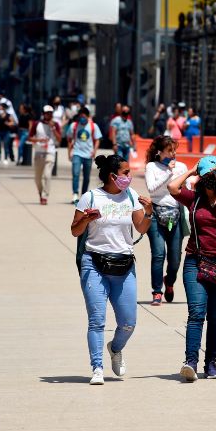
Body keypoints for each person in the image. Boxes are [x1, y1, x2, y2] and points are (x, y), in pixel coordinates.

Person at [70, 154, 153, 385]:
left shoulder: (131, 196)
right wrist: (87, 219)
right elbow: (75, 231)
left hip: (124, 265)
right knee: (97, 320)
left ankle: (115, 348)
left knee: (128, 322)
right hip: (94, 263)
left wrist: (149, 213)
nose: (129, 176)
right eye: (126, 173)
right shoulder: (90, 197)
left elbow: (140, 227)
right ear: (112, 176)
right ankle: (97, 368)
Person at [167, 155, 216, 381]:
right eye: (207, 176)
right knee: (196, 313)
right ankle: (190, 361)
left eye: (214, 175)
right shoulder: (194, 198)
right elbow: (172, 187)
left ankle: (210, 363)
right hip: (196, 261)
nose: (210, 179)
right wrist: (192, 171)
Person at [145, 136, 188, 306]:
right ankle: (157, 292)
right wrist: (168, 173)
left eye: (174, 149)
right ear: (160, 152)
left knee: (175, 257)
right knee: (158, 255)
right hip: (156, 213)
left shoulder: (182, 167)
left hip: (175, 214)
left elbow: (186, 189)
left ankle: (169, 281)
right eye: (169, 150)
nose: (173, 153)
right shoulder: (151, 167)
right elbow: (152, 188)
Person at [28, 105, 63, 205]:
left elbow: (60, 139)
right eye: (47, 113)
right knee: (37, 178)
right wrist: (39, 140)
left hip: (50, 152)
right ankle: (40, 192)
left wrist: (53, 128)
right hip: (39, 152)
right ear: (43, 114)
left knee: (47, 175)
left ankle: (45, 196)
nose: (49, 115)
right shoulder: (36, 124)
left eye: (50, 113)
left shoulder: (56, 124)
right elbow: (30, 137)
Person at [68, 107, 102, 205]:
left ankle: (83, 195)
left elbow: (97, 139)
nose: (82, 118)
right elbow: (69, 139)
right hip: (77, 153)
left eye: (84, 116)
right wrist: (69, 152)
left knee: (86, 177)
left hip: (88, 154)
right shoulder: (74, 126)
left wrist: (94, 151)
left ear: (88, 117)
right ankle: (75, 193)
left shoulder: (93, 126)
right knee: (76, 173)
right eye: (80, 117)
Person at [0, 101, 14, 166]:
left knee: (6, 145)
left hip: (6, 132)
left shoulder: (8, 115)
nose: (0, 107)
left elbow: (12, 122)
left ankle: (5, 158)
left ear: (4, 107)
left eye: (1, 106)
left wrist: (8, 123)